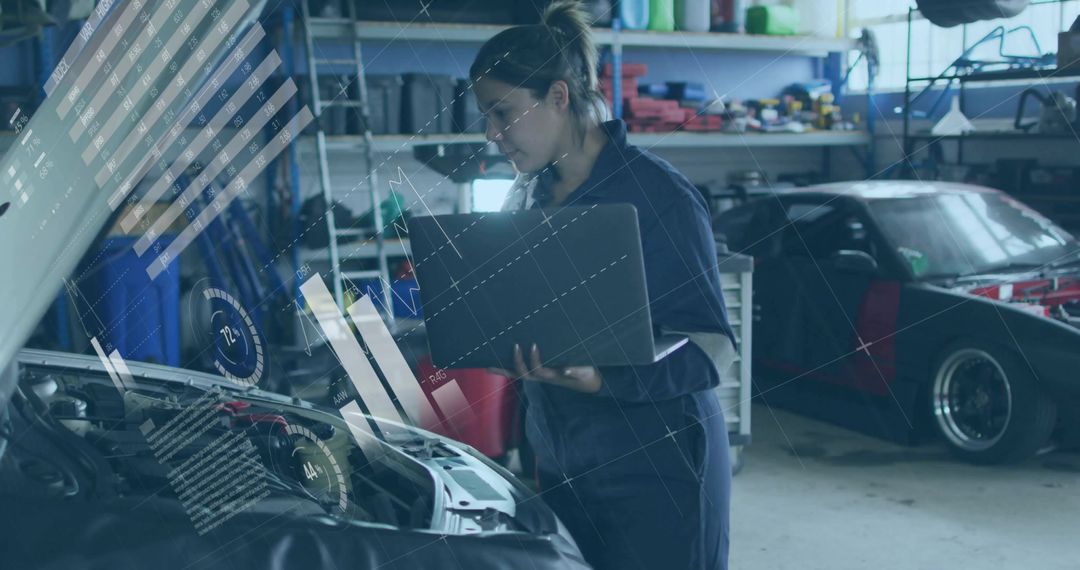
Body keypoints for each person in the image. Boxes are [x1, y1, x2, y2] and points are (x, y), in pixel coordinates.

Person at [471, 2, 737, 569]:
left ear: (559, 97)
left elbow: (712, 349)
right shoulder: (525, 198)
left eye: (503, 113)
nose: (492, 134)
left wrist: (604, 377)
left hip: (657, 470)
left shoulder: (659, 198)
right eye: (486, 118)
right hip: (563, 464)